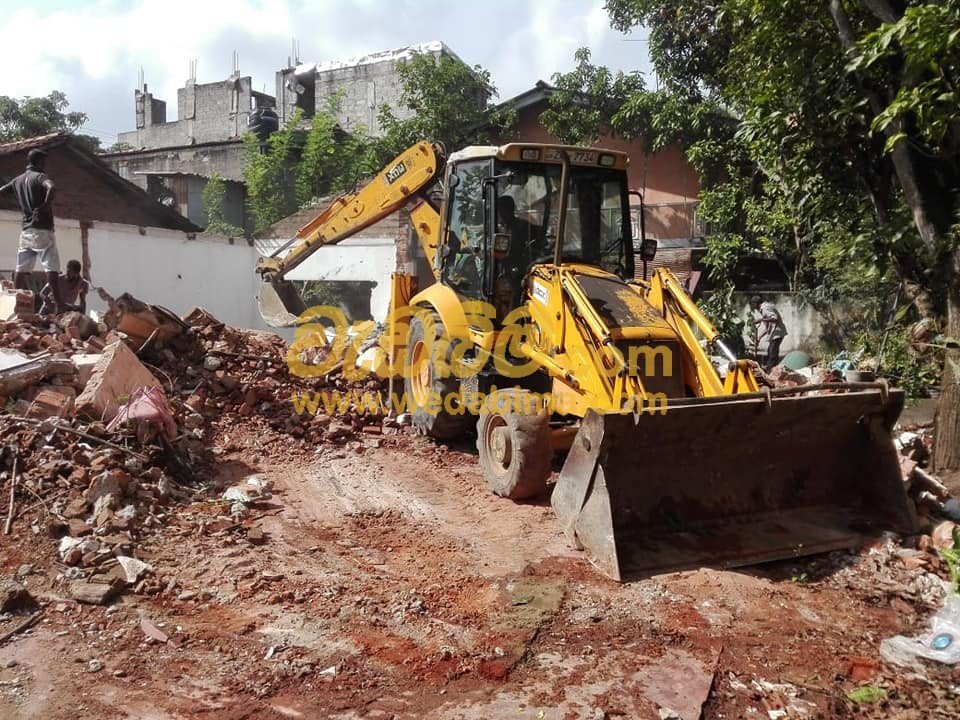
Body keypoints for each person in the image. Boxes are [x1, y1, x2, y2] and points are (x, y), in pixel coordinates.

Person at [0, 149, 63, 313]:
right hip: (43, 227)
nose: (45, 165)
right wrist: (44, 206)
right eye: (44, 162)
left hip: (26, 229)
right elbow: (52, 187)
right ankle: (59, 304)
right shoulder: (40, 177)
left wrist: (19, 205)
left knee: (21, 268)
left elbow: (2, 192)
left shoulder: (17, 180)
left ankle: (15, 301)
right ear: (40, 161)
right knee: (51, 265)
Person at [750, 295, 788, 371]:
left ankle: (771, 371)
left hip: (777, 333)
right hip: (775, 333)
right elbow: (768, 327)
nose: (753, 306)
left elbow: (775, 318)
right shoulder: (764, 309)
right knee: (770, 352)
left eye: (753, 304)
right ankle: (772, 369)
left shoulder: (765, 308)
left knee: (772, 354)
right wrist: (759, 337)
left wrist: (760, 320)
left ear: (756, 303)